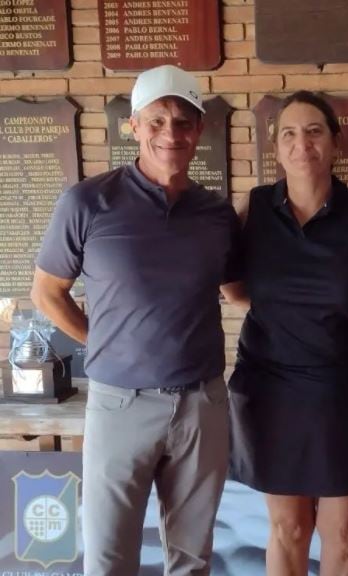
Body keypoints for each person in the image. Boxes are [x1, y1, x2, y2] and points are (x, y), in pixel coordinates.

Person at [30, 65, 240, 576]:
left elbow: (239, 292)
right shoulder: (87, 202)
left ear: (200, 130)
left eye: (184, 122)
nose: (171, 133)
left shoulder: (216, 213)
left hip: (201, 404)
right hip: (119, 404)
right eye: (158, 120)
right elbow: (47, 293)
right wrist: (104, 342)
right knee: (109, 560)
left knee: (191, 559)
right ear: (134, 126)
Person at [220, 90, 348, 576]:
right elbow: (235, 290)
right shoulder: (251, 208)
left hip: (345, 390)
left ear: (335, 142)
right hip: (271, 390)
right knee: (288, 530)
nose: (302, 144)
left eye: (314, 131)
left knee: (341, 532)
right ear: (276, 147)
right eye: (289, 133)